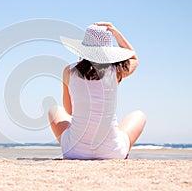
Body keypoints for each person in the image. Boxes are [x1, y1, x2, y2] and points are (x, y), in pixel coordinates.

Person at [48, 22, 146, 160]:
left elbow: (70, 111)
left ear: (83, 48)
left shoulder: (69, 71)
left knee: (55, 110)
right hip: (113, 152)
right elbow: (134, 58)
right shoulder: (117, 71)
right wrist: (116, 33)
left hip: (74, 151)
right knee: (139, 115)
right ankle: (118, 149)